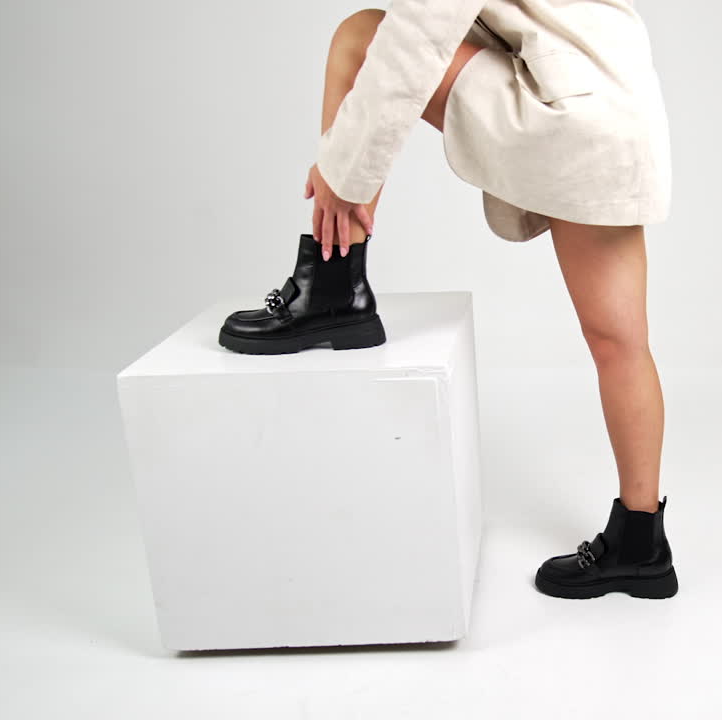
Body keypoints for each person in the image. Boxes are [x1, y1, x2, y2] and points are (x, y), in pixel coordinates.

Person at [218, 0, 676, 600]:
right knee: (622, 344)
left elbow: (416, 39)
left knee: (363, 39)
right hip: (617, 110)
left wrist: (341, 171)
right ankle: (642, 544)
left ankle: (332, 283)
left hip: (561, 110)